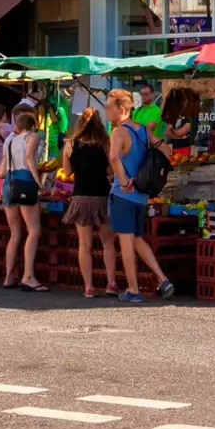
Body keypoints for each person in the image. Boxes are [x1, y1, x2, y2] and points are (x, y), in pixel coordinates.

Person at [106, 88, 175, 304]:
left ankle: (133, 289)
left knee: (126, 241)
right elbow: (166, 149)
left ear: (122, 109)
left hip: (124, 194)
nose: (107, 112)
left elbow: (114, 157)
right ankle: (162, 279)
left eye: (109, 108)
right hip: (141, 196)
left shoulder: (118, 132)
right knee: (136, 239)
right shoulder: (143, 130)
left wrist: (125, 180)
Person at [64, 108, 119, 298]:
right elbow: (112, 170)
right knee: (108, 242)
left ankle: (88, 287)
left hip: (81, 197)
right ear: (99, 123)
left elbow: (67, 171)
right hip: (102, 196)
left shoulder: (71, 144)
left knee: (84, 244)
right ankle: (111, 283)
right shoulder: (105, 143)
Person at [0, 109, 46, 291]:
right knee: (34, 231)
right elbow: (29, 158)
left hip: (8, 183)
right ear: (33, 125)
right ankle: (28, 276)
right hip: (25, 181)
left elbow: (2, 170)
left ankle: (9, 276)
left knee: (15, 233)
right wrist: (37, 181)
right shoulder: (32, 137)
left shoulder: (11, 140)